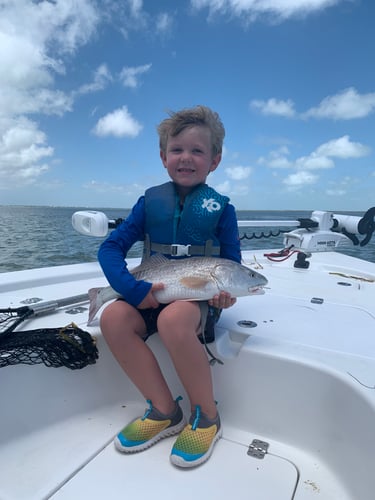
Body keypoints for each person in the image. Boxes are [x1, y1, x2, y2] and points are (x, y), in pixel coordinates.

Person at [98, 105, 241, 468]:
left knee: (174, 320)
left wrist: (225, 297)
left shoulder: (223, 211)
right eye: (177, 150)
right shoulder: (149, 204)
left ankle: (206, 416)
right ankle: (164, 410)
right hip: (151, 293)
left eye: (197, 151)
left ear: (215, 160)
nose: (186, 158)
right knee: (113, 318)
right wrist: (132, 291)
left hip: (193, 303)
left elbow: (232, 265)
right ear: (163, 157)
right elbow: (110, 248)